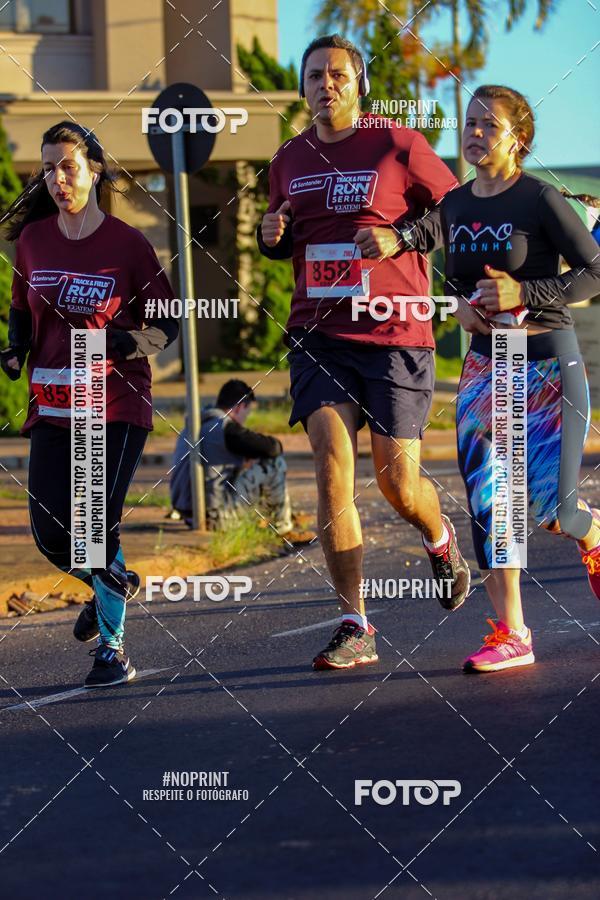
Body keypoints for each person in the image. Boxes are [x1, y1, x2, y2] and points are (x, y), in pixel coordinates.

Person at [257, 33, 471, 671]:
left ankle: (439, 537)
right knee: (330, 472)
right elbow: (284, 235)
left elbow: (455, 210)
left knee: (397, 482)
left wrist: (399, 236)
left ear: (360, 84)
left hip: (394, 331)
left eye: (339, 75)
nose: (327, 84)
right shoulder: (287, 159)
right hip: (318, 334)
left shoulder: (397, 145)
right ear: (303, 88)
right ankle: (355, 622)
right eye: (316, 75)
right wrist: (272, 235)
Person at [404, 85, 600, 672]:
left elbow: (594, 273)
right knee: (492, 499)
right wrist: (458, 303)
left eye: (489, 125)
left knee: (552, 510)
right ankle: (512, 632)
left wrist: (526, 293)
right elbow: (455, 278)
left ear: (518, 138)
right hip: (488, 366)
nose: (475, 132)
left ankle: (592, 534)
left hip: (545, 366)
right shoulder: (457, 205)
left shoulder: (540, 199)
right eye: (469, 122)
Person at [0, 122, 178, 687]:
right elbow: (23, 308)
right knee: (53, 534)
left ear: (95, 171)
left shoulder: (127, 243)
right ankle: (110, 578)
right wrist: (16, 348)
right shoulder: (34, 241)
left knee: (94, 525)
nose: (57, 178)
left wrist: (124, 343)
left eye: (69, 166)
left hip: (115, 402)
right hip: (52, 403)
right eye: (48, 168)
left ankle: (112, 649)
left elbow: (167, 325)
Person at [170, 379, 297, 536]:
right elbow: (273, 448)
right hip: (215, 518)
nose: (245, 419)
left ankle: (267, 519)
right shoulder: (226, 429)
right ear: (239, 407)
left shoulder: (195, 424)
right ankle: (282, 528)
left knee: (245, 468)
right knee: (273, 463)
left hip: (190, 515)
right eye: (247, 412)